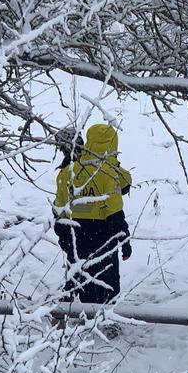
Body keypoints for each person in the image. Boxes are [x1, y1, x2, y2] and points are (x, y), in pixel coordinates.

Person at [53, 123, 132, 310]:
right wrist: (124, 239)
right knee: (107, 279)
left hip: (75, 232)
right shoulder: (108, 173)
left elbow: (59, 210)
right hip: (104, 234)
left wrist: (64, 237)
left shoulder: (68, 172)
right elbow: (115, 211)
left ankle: (80, 314)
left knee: (81, 275)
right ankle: (104, 320)